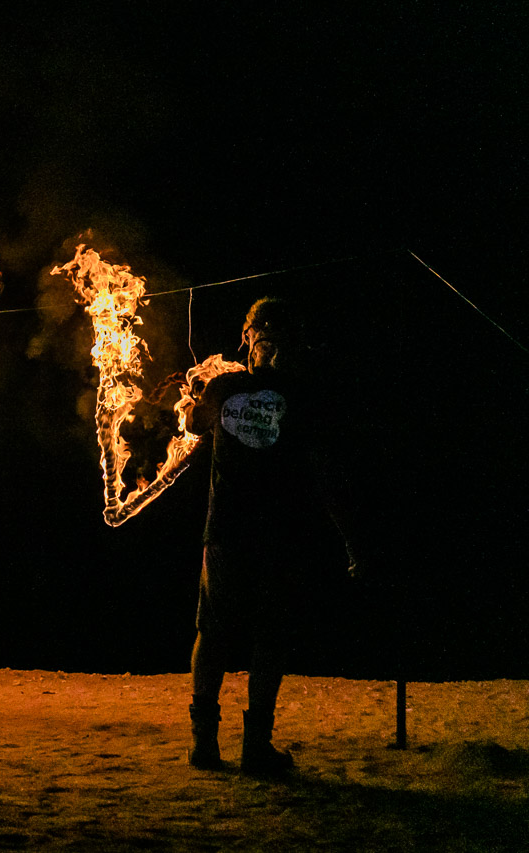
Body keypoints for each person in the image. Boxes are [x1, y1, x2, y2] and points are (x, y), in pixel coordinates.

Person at [186, 296, 361, 775]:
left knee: (216, 633)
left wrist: (193, 393)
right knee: (268, 638)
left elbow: (191, 425)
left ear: (251, 337)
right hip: (274, 537)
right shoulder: (301, 396)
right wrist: (350, 538)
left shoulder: (222, 389)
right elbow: (325, 474)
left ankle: (207, 744)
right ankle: (252, 746)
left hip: (228, 533)